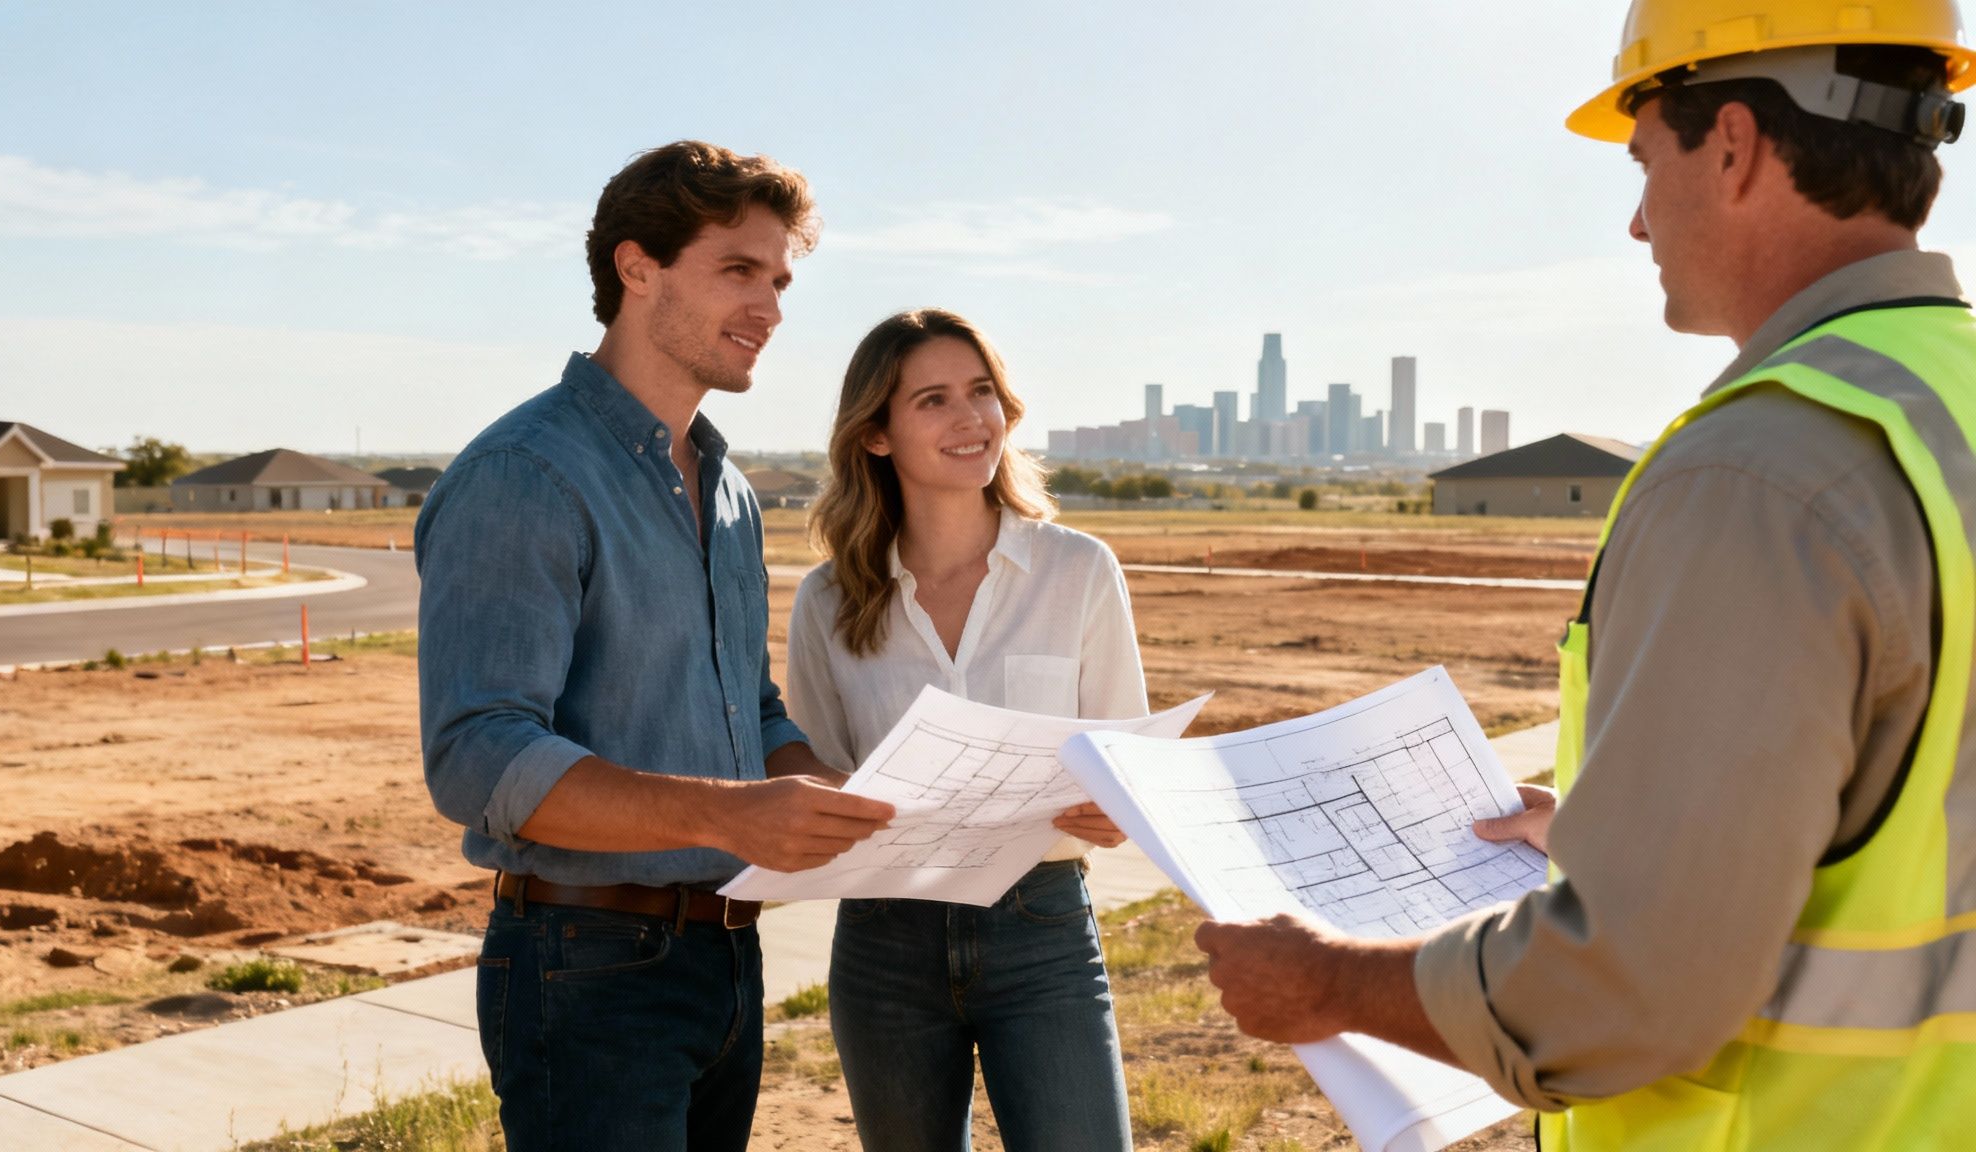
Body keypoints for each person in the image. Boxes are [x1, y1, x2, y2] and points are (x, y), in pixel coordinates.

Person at [1193, 3, 1976, 1148]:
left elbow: (1623, 993)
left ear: (1732, 145)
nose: (1632, 221)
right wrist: (1641, 825)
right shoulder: (1940, 405)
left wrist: (1323, 984)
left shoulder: (1757, 473)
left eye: (1641, 159)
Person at [415, 140, 895, 1151]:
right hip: (584, 965)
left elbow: (748, 711)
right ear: (638, 269)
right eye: (738, 271)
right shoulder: (523, 475)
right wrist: (736, 817)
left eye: (778, 281)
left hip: (724, 958)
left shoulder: (727, 491)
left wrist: (843, 798)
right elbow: (479, 756)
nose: (770, 308)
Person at [786, 308, 1144, 1151]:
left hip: (1043, 931)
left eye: (981, 392)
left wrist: (1120, 807)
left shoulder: (1080, 571)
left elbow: (1131, 765)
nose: (970, 418)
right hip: (884, 940)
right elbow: (815, 773)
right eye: (934, 400)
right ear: (876, 435)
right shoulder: (828, 602)